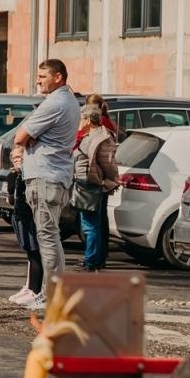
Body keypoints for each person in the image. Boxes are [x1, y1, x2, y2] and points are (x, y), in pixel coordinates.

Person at [12, 59, 81, 312]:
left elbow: (20, 136)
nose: (37, 80)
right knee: (51, 236)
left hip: (45, 176)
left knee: (47, 236)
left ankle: (51, 294)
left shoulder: (56, 102)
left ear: (58, 77)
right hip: (54, 175)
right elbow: (23, 136)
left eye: (42, 76)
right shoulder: (67, 100)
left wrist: (29, 138)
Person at [73, 104, 120, 271]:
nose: (78, 121)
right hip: (86, 184)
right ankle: (94, 259)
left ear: (87, 119)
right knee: (92, 224)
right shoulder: (92, 135)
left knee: (90, 225)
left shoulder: (100, 137)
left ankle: (92, 260)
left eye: (80, 118)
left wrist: (107, 182)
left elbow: (108, 163)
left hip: (90, 186)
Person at [7, 167, 46, 306]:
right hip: (20, 216)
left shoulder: (29, 176)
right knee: (30, 253)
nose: (16, 161)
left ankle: (35, 291)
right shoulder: (16, 176)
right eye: (14, 158)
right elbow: (11, 197)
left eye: (19, 158)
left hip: (29, 216)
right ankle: (30, 288)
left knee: (35, 252)